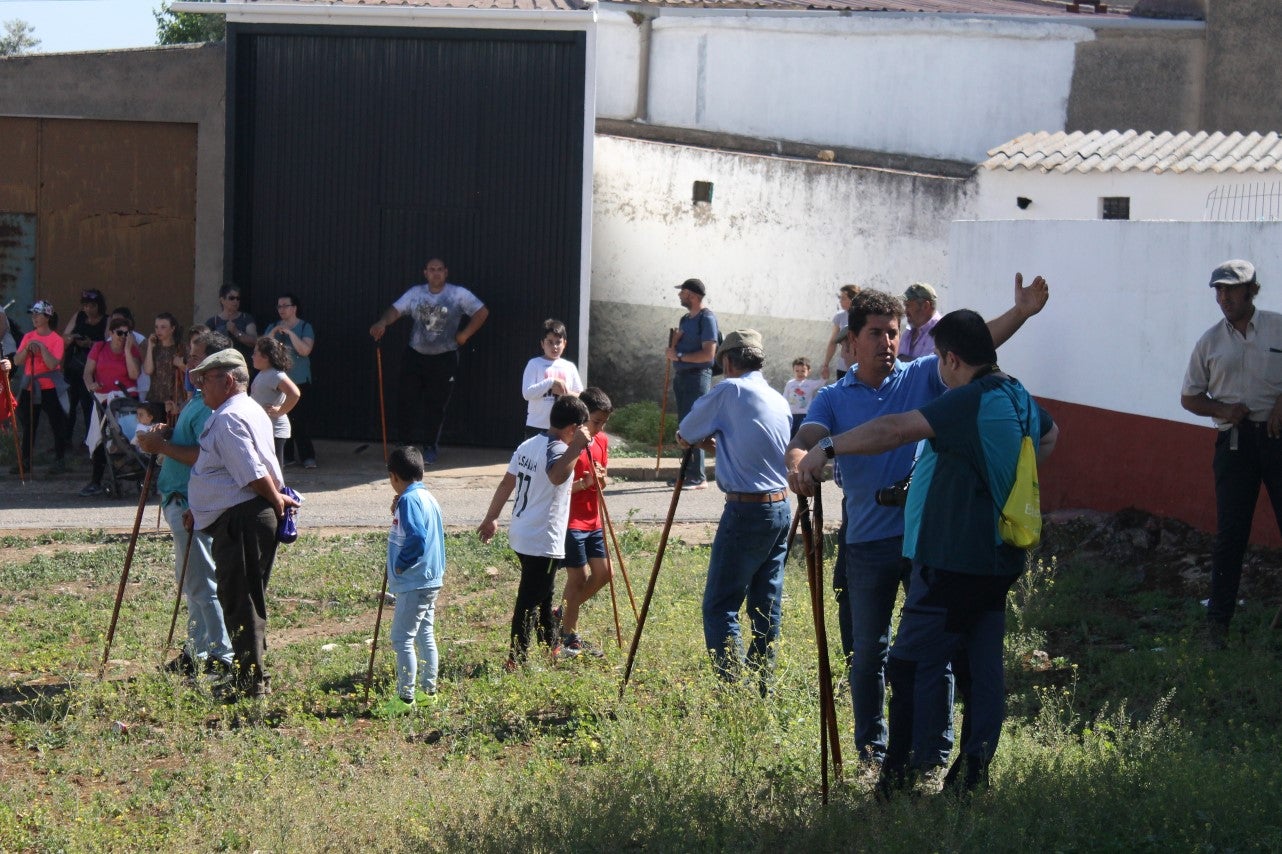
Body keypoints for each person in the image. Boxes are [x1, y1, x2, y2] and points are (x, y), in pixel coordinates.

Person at [786, 274, 1048, 769]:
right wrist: (800, 461)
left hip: (926, 542)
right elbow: (809, 437)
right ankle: (873, 749)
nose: (888, 342)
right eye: (877, 333)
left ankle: (932, 748)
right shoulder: (833, 398)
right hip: (867, 540)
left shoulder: (924, 374)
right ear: (851, 340)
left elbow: (971, 348)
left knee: (935, 651)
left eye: (894, 332)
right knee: (868, 654)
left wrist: (1020, 314)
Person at [678, 330, 792, 694]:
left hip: (747, 512)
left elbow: (686, 431)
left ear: (728, 362)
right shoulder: (776, 398)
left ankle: (733, 693)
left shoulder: (730, 390)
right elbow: (753, 448)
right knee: (765, 604)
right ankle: (763, 688)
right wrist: (721, 443)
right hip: (779, 508)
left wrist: (696, 439)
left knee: (720, 605)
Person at [1181, 259, 1282, 649]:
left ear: (1251, 291)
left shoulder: (1276, 326)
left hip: (1276, 438)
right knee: (1231, 536)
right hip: (1235, 442)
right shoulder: (1209, 341)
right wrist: (1221, 410)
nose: (1223, 297)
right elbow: (1190, 397)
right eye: (1218, 291)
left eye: (1231, 289)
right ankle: (1217, 626)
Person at [186, 347, 298, 700]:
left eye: (205, 380)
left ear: (228, 380)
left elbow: (251, 472)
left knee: (241, 600)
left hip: (244, 516)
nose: (201, 387)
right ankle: (251, 674)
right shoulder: (247, 409)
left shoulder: (229, 418)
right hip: (245, 514)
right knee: (246, 597)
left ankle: (252, 683)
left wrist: (274, 498)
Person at [136, 331, 236, 678]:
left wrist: (160, 447)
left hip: (193, 503)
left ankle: (222, 656)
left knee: (202, 582)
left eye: (195, 358)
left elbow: (202, 456)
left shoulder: (213, 406)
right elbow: (187, 439)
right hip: (178, 500)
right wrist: (166, 434)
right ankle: (196, 651)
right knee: (190, 581)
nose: (189, 362)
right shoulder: (197, 396)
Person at [478, 395, 590, 669]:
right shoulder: (557, 450)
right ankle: (515, 659)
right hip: (542, 541)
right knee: (529, 600)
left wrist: (492, 517)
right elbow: (556, 476)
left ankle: (550, 645)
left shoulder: (528, 445)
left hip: (521, 534)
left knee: (544, 593)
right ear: (573, 428)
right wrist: (576, 447)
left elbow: (507, 484)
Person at [370, 258, 490, 465]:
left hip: (445, 357)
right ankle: (404, 448)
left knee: (436, 405)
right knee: (406, 400)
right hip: (415, 355)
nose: (435, 273)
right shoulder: (416, 293)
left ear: (446, 272)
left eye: (439, 270)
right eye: (431, 270)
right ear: (425, 272)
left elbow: (482, 312)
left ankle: (429, 448)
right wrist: (383, 321)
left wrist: (465, 335)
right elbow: (394, 310)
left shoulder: (457, 294)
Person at [378, 445, 447, 716]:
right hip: (430, 578)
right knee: (424, 634)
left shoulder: (408, 500)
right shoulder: (426, 497)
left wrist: (400, 563)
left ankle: (405, 698)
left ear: (394, 476)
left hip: (414, 580)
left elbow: (417, 538)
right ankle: (429, 691)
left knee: (402, 639)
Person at [557, 387, 613, 657]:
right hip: (572, 520)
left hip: (594, 520)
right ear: (582, 416)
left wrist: (601, 478)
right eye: (596, 421)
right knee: (577, 578)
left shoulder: (602, 441)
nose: (600, 427)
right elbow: (559, 488)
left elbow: (603, 476)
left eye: (603, 422)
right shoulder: (570, 443)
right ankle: (569, 635)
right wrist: (585, 482)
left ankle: (561, 613)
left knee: (605, 574)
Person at [79, 314, 142, 497]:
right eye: (119, 333)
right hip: (103, 399)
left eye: (126, 333)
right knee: (101, 436)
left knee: (124, 436)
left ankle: (136, 471)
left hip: (125, 400)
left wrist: (129, 350)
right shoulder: (99, 347)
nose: (122, 337)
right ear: (111, 332)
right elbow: (87, 373)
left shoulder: (132, 350)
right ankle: (96, 480)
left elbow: (134, 374)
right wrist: (91, 385)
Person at [664, 278, 718, 489]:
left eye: (683, 292)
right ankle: (687, 473)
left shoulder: (707, 319)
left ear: (693, 296)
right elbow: (677, 348)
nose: (679, 295)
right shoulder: (685, 319)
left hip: (698, 376)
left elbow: (708, 355)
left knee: (694, 424)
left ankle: (698, 476)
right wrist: (674, 346)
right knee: (684, 425)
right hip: (682, 377)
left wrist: (678, 355)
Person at [13, 300, 70, 476]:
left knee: (56, 423)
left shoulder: (56, 339)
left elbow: (53, 363)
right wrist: (27, 350)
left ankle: (60, 459)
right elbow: (17, 360)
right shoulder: (28, 337)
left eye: (38, 314)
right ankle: (25, 461)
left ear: (47, 317)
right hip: (31, 386)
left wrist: (42, 349)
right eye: (33, 314)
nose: (34, 318)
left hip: (50, 387)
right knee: (29, 424)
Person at [263, 293, 317, 469]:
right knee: (281, 418)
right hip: (279, 382)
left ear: (294, 308)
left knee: (300, 420)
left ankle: (308, 456)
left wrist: (290, 334)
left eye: (285, 306)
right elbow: (263, 348)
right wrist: (273, 333)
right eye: (279, 306)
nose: (281, 310)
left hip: (300, 380)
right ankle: (286, 456)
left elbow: (305, 350)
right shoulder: (273, 327)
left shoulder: (305, 327)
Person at [522, 318, 583, 436]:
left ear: (564, 343)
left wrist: (565, 392)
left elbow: (582, 397)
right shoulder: (534, 364)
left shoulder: (569, 367)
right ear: (542, 344)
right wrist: (550, 382)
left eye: (558, 342)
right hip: (537, 426)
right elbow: (527, 393)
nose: (554, 346)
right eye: (550, 342)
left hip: (564, 427)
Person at [62, 288, 108, 439]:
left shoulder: (106, 320)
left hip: (93, 368)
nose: (88, 309)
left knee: (88, 405)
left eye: (92, 306)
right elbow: (65, 337)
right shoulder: (79, 316)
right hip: (74, 365)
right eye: (86, 305)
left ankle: (89, 440)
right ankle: (66, 439)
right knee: (70, 404)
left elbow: (108, 344)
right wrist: (71, 338)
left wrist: (90, 344)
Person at [250, 336, 301, 468]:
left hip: (274, 431)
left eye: (255, 353)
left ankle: (278, 490)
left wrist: (280, 410)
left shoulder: (275, 374)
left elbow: (294, 393)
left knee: (275, 469)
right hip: (263, 429)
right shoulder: (263, 373)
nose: (252, 356)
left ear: (266, 357)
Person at [143, 312, 185, 419]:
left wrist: (181, 365)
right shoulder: (154, 348)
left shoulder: (181, 349)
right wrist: (150, 347)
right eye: (156, 327)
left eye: (163, 327)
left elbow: (189, 371)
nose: (158, 330)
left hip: (173, 400)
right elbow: (148, 370)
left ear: (172, 328)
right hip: (155, 398)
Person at [205, 284, 258, 360]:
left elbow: (254, 341)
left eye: (238, 298)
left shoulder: (246, 318)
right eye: (231, 298)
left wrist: (236, 332)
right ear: (222, 300)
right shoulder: (212, 322)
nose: (235, 301)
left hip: (242, 364)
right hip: (220, 365)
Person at [821, 284, 859, 382]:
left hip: (861, 367)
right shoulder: (840, 316)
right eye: (840, 298)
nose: (840, 301)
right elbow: (833, 342)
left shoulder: (864, 316)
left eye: (843, 298)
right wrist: (826, 364)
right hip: (843, 367)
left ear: (852, 299)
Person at [900, 282, 942, 362]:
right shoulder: (908, 332)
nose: (905, 311)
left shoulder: (942, 331)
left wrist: (901, 361)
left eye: (908, 305)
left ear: (925, 306)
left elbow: (931, 367)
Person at [783, 356, 824, 438]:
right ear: (793, 371)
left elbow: (821, 382)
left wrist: (824, 375)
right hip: (791, 414)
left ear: (808, 371)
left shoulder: (810, 384)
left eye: (803, 371)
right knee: (790, 434)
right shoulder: (790, 384)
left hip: (804, 415)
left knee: (800, 434)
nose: (800, 373)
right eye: (797, 371)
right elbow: (784, 398)